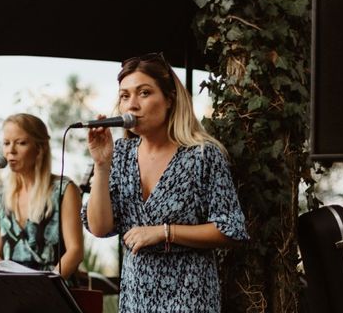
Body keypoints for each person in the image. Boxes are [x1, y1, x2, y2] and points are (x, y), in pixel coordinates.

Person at [83, 52, 248, 312]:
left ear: (170, 100)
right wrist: (102, 166)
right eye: (125, 96)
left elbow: (231, 229)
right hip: (135, 299)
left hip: (190, 296)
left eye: (144, 93)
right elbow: (99, 227)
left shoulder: (202, 155)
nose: (132, 105)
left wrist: (164, 232)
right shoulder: (122, 155)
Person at [0, 113, 83, 280]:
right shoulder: (2, 198)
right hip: (11, 294)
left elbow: (75, 251)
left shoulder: (64, 190)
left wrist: (46, 289)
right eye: (6, 143)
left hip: (53, 294)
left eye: (21, 143)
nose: (11, 150)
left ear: (40, 149)